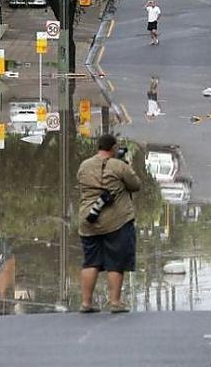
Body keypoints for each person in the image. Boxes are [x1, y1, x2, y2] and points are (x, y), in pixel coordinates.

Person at [77, 134, 141, 313]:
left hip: (88, 220)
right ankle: (115, 302)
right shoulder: (119, 166)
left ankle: (86, 303)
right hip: (116, 221)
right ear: (113, 148)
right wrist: (128, 167)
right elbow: (135, 185)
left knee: (91, 262)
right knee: (116, 261)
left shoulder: (84, 165)